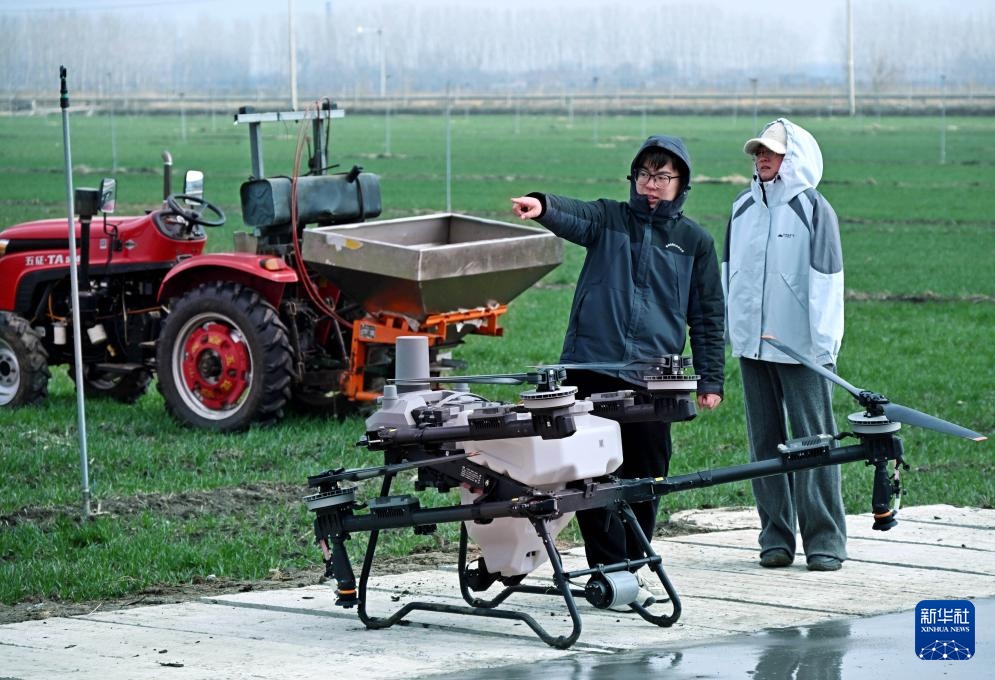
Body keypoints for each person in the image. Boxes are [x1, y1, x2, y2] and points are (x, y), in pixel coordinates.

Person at [511, 135, 725, 603]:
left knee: (647, 474)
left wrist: (711, 378)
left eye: (663, 177)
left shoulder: (694, 243)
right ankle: (606, 569)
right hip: (591, 369)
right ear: (634, 178)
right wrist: (542, 206)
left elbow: (708, 315)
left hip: (654, 379)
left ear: (680, 183)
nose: (652, 185)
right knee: (593, 477)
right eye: (646, 175)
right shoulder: (609, 220)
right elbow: (575, 214)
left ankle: (635, 561)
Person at [722, 118, 847, 572]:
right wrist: (735, 334)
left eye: (771, 151)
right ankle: (775, 538)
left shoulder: (814, 210)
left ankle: (825, 540)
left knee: (815, 443)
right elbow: (728, 273)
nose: (762, 158)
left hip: (801, 351)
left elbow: (828, 283)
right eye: (758, 151)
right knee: (764, 446)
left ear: (792, 157)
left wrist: (823, 350)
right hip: (753, 349)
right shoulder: (740, 208)